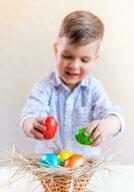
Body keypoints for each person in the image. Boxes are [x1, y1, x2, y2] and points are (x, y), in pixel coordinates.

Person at [21, 10, 125, 157]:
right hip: (50, 166)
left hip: (84, 165)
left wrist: (106, 127)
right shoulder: (44, 86)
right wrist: (31, 124)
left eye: (84, 60)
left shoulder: (93, 88)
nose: (74, 66)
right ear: (56, 50)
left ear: (95, 58)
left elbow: (116, 118)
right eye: (67, 56)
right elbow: (29, 114)